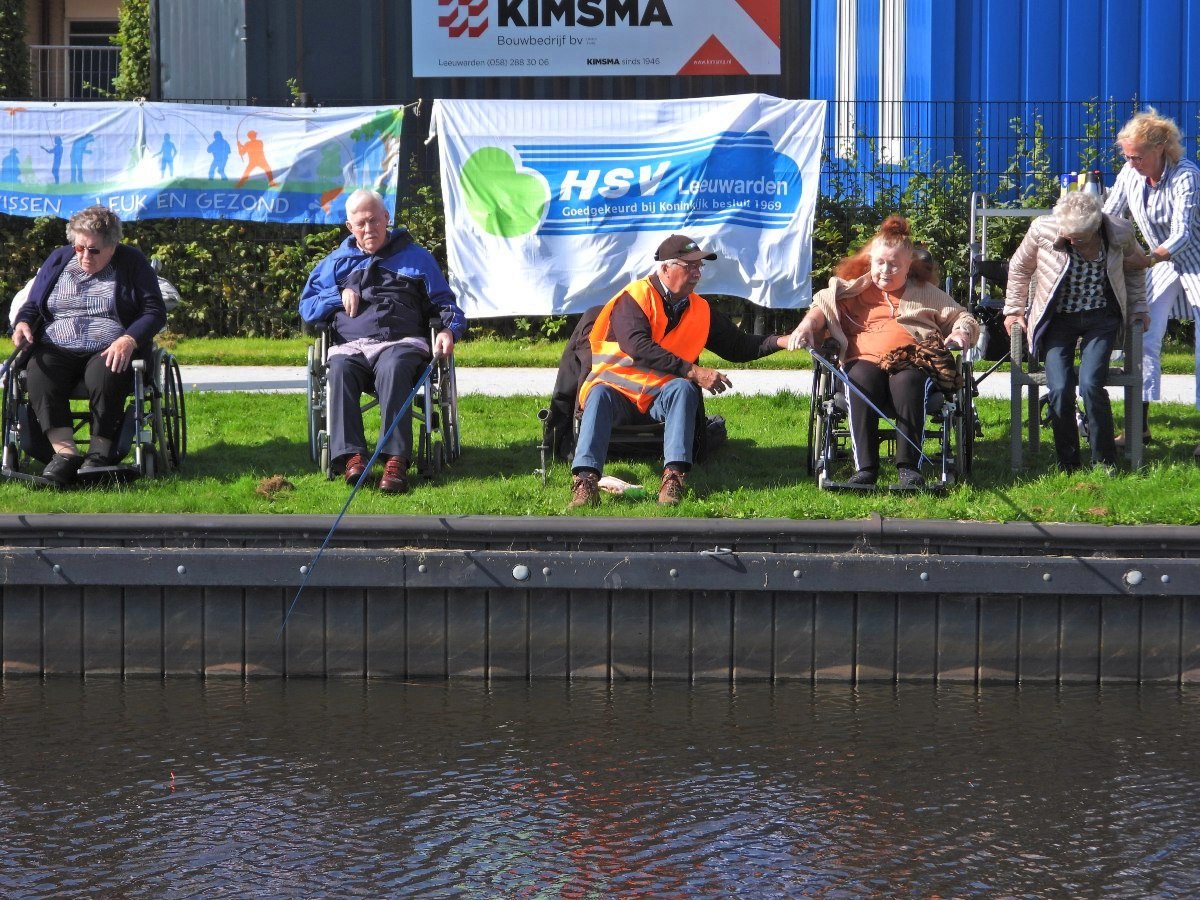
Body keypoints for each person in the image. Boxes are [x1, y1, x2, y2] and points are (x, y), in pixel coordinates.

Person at [567, 234, 792, 509]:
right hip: (618, 394)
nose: (697, 273)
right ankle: (586, 481)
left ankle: (673, 477)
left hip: (660, 397)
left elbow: (738, 346)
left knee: (683, 388)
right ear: (665, 268)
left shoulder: (701, 309)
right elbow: (638, 346)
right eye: (690, 266)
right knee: (599, 393)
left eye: (700, 266)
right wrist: (693, 371)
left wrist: (783, 341)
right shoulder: (634, 297)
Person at [788, 216, 978, 488]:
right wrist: (807, 325)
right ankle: (865, 469)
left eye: (894, 264)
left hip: (911, 362)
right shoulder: (854, 290)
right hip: (863, 361)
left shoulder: (926, 293)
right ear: (871, 261)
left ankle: (909, 468)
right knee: (859, 378)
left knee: (908, 380)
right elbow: (823, 307)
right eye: (879, 263)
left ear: (909, 265)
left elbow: (963, 317)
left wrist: (961, 332)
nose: (885, 270)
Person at [299, 189, 466, 494]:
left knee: (394, 366)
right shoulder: (335, 263)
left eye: (374, 220)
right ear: (349, 227)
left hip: (401, 342)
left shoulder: (417, 258)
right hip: (350, 346)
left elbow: (445, 303)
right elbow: (307, 308)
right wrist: (337, 295)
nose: (368, 229)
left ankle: (395, 460)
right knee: (339, 369)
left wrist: (448, 330)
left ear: (386, 218)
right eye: (360, 223)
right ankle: (352, 457)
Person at [10, 206, 166, 486]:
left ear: (113, 246)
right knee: (40, 371)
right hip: (56, 343)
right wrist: (22, 323)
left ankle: (99, 454)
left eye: (93, 250)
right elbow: (33, 305)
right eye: (79, 248)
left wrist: (129, 339)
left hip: (108, 345)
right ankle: (65, 455)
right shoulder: (59, 259)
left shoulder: (132, 261)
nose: (84, 256)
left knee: (107, 371)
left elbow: (154, 311)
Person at [1002, 191, 1149, 472]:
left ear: (1096, 226)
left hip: (1101, 319)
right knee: (1059, 388)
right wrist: (1013, 310)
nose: (1071, 242)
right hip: (1058, 320)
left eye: (1079, 238)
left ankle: (1104, 460)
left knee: (1091, 384)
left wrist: (1140, 306)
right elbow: (1019, 268)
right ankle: (1068, 462)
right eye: (1067, 236)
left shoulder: (1119, 231)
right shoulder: (1042, 229)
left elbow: (1135, 268)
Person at [1103, 107, 1200, 456]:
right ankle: (1137, 427)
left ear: (1160, 148)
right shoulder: (1130, 173)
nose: (1131, 163)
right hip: (1159, 262)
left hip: (1193, 260)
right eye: (1127, 156)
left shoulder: (1186, 175)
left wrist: (1147, 258)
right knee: (1141, 333)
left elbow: (1182, 233)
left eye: (1137, 156)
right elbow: (1110, 216)